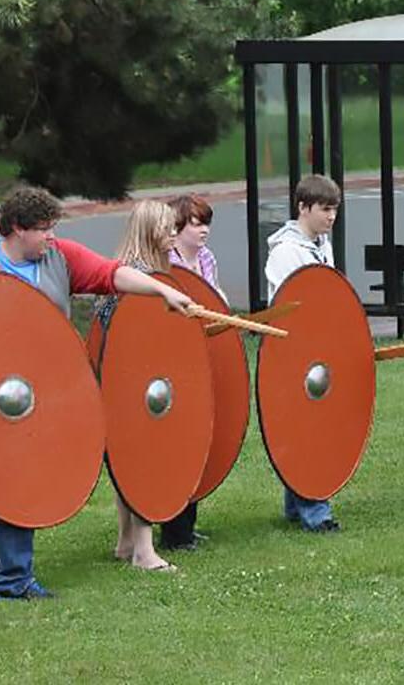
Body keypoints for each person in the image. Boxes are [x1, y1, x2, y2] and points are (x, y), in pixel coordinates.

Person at [0, 187, 193, 600]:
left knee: (2, 477)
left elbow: (111, 273)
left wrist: (162, 289)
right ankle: (14, 581)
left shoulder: (59, 256)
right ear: (17, 229)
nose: (50, 236)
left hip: (47, 386)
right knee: (18, 477)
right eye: (43, 229)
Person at [94, 200, 181, 571]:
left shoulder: (123, 272)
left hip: (120, 378)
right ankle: (144, 551)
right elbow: (133, 334)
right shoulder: (139, 278)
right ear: (150, 231)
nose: (174, 234)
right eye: (168, 228)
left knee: (125, 460)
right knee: (142, 459)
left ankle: (126, 540)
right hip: (133, 379)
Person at [264, 175, 343, 532]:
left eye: (334, 210)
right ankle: (316, 511)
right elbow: (290, 304)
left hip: (319, 347)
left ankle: (298, 507)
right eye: (325, 209)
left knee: (316, 427)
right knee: (304, 430)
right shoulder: (286, 252)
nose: (331, 217)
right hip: (293, 350)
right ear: (303, 207)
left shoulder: (321, 245)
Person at [160, 194, 223, 551]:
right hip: (175, 365)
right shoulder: (166, 265)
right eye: (196, 223)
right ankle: (174, 530)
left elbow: (214, 299)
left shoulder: (206, 259)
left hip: (204, 356)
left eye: (206, 223)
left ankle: (189, 522)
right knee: (179, 443)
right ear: (178, 227)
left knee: (202, 437)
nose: (203, 230)